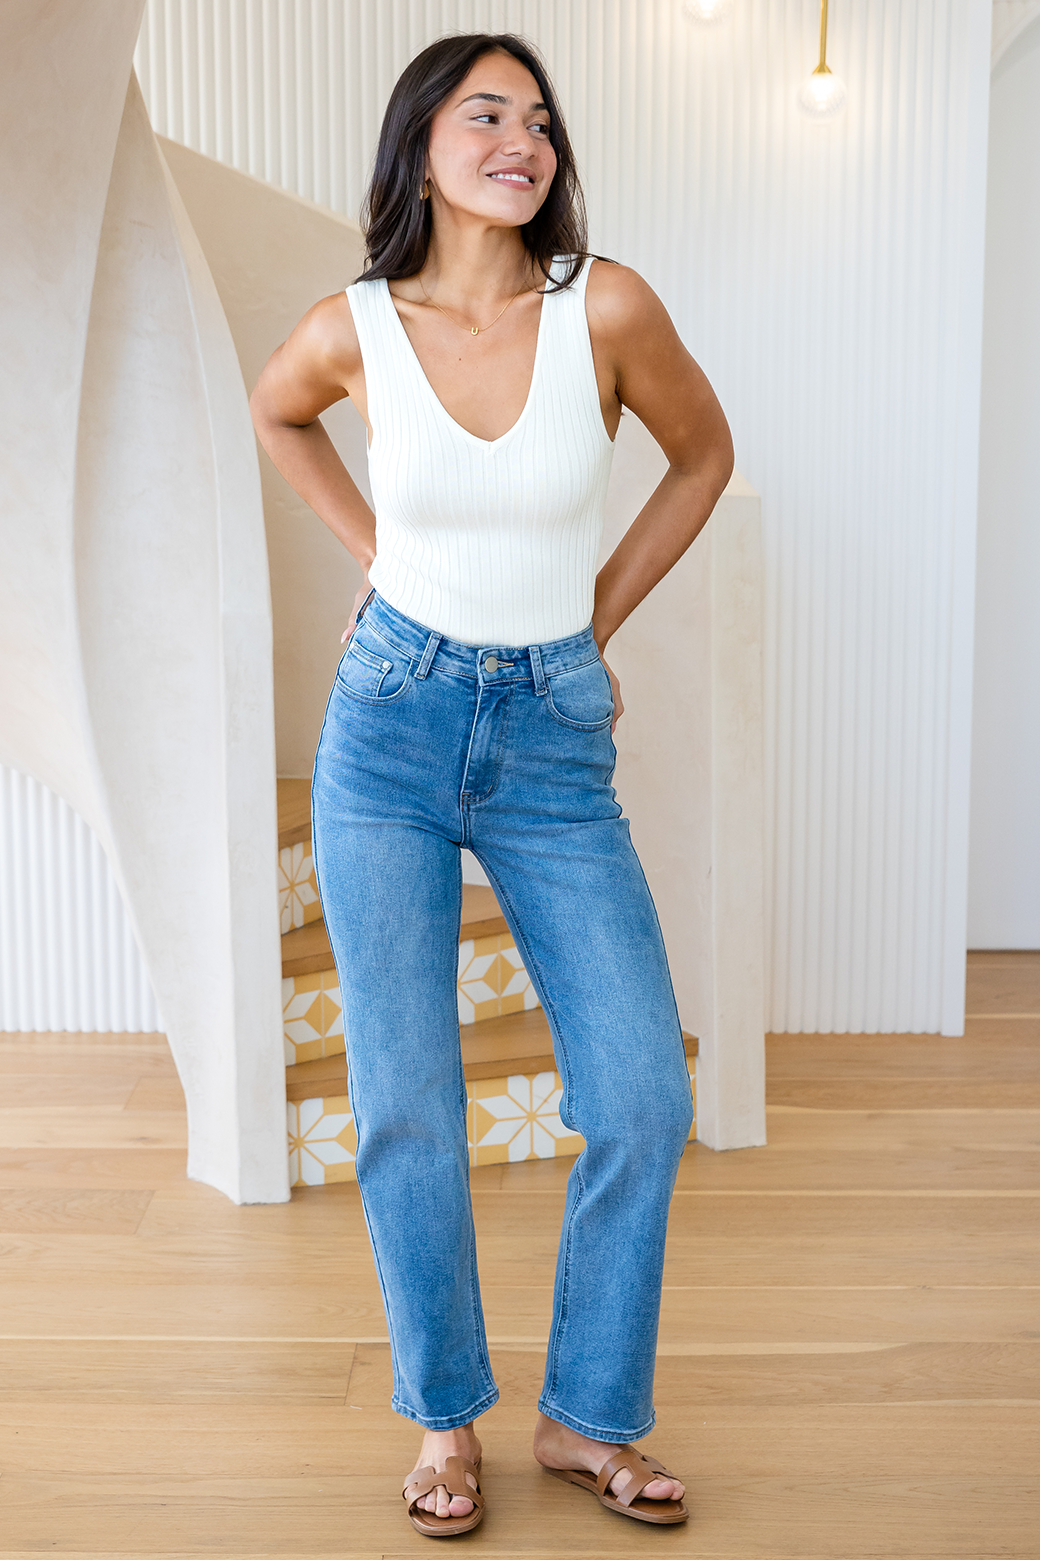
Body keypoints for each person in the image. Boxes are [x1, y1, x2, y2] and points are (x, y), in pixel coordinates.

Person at [251, 31, 733, 1539]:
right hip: (387, 726)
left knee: (642, 1092)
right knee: (407, 1101)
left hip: (552, 736)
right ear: (423, 144)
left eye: (539, 119)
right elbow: (276, 413)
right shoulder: (353, 327)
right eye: (485, 113)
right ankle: (444, 1422)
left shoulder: (607, 309)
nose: (521, 139)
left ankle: (586, 1417)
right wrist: (375, 553)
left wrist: (594, 621)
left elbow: (703, 457)